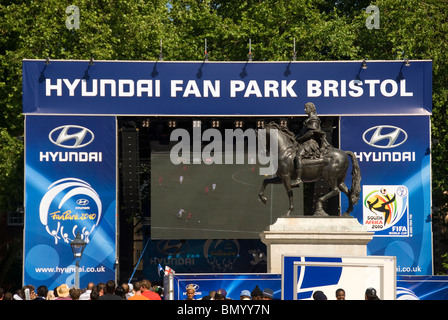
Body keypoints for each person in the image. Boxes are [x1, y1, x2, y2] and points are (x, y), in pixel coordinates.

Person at [291, 102, 330, 187]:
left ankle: (298, 178)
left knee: (298, 156)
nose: (305, 110)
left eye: (306, 108)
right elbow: (302, 133)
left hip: (311, 143)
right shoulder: (307, 120)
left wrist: (300, 139)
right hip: (305, 142)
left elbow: (312, 133)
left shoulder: (314, 119)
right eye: (305, 108)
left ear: (311, 109)